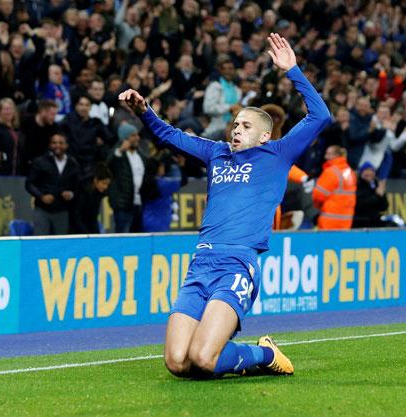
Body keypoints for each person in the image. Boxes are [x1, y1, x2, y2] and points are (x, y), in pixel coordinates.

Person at [118, 34, 331, 378]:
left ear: (264, 135)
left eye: (245, 126)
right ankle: (235, 353)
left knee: (203, 358)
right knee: (177, 363)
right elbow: (171, 135)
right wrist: (145, 112)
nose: (236, 130)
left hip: (236, 264)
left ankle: (263, 354)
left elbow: (320, 116)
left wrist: (293, 70)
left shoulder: (277, 154)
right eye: (235, 124)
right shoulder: (216, 153)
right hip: (200, 263)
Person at [25, 132, 81, 235]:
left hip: (62, 210)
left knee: (60, 245)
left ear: (67, 145)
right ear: (50, 145)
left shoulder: (73, 164)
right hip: (42, 210)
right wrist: (41, 196)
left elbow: (77, 186)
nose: (57, 145)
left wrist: (71, 194)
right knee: (40, 241)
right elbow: (29, 184)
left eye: (61, 143)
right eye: (54, 143)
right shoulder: (40, 162)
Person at [108, 122, 146, 233]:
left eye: (137, 135)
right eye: (133, 135)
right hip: (123, 205)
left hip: (138, 203)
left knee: (138, 239)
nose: (137, 138)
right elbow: (108, 166)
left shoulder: (140, 155)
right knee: (123, 238)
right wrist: (120, 151)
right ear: (125, 138)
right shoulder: (118, 154)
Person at [312, 145, 357, 230]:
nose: (326, 157)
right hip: (346, 221)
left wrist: (318, 206)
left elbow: (318, 196)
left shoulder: (331, 172)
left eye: (329, 154)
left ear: (336, 155)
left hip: (330, 221)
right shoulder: (350, 172)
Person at [141, 157, 183, 232]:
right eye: (162, 166)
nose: (163, 168)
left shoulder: (146, 182)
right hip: (160, 223)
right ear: (157, 168)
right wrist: (176, 165)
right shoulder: (162, 184)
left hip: (148, 220)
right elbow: (179, 181)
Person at [72, 163, 112, 234]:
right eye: (103, 183)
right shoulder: (81, 190)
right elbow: (76, 217)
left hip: (89, 227)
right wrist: (86, 235)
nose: (106, 187)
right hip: (75, 230)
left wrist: (95, 235)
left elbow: (93, 217)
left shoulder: (99, 193)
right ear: (95, 180)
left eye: (107, 184)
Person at [352, 162, 388, 228]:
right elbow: (360, 205)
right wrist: (377, 196)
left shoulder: (376, 184)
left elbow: (384, 207)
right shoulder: (356, 185)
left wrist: (382, 196)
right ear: (361, 172)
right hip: (359, 221)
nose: (369, 173)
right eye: (366, 170)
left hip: (374, 220)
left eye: (372, 170)